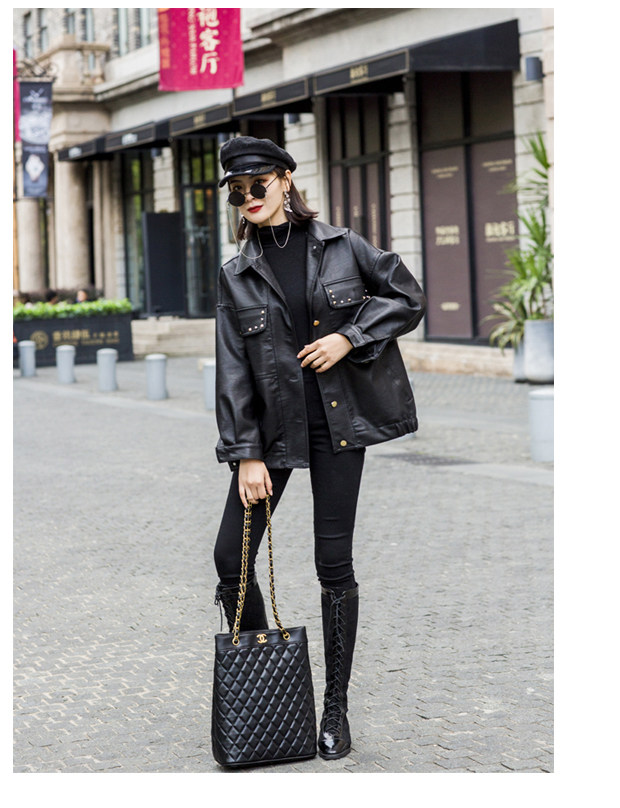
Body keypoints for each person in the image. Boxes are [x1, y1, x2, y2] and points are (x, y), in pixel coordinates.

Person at [212, 136, 426, 761]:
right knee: (231, 558)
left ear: (285, 179)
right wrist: (246, 454)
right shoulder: (236, 274)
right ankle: (268, 689)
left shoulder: (343, 246)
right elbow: (232, 370)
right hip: (272, 437)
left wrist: (350, 336)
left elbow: (407, 297)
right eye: (237, 190)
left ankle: (335, 707)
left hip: (338, 428)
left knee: (333, 564)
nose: (248, 197)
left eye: (257, 184)